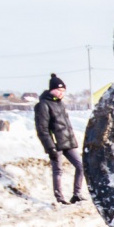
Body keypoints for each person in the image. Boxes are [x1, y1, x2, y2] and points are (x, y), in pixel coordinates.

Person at [35, 73, 86, 205]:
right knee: (58, 170)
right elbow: (42, 129)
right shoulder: (43, 105)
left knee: (81, 166)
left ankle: (77, 194)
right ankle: (59, 197)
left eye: (63, 91)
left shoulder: (60, 104)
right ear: (52, 89)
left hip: (67, 142)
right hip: (55, 144)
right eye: (59, 90)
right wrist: (50, 146)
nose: (61, 93)